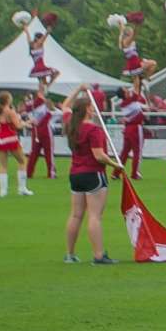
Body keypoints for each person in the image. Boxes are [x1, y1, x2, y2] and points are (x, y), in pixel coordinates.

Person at [61, 90, 120, 266]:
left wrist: (79, 89)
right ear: (87, 109)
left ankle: (70, 254)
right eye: (91, 107)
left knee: (76, 215)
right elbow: (99, 155)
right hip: (93, 173)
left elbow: (65, 105)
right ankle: (99, 255)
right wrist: (117, 166)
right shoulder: (93, 129)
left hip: (75, 174)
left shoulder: (71, 125)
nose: (94, 109)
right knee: (94, 216)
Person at [0, 94, 29, 197]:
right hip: (11, 137)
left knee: (3, 165)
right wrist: (26, 123)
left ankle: (3, 191)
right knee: (22, 161)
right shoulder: (10, 111)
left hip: (0, 138)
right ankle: (22, 188)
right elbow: (18, 126)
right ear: (8, 100)